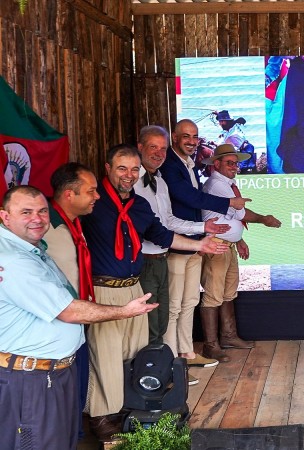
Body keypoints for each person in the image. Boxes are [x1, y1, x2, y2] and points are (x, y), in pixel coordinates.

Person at [81, 144, 229, 440]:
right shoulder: (93, 205)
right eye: (122, 168)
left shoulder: (139, 205)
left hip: (134, 287)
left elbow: (162, 235)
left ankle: (128, 410)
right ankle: (101, 417)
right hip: (102, 289)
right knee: (104, 356)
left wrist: (200, 244)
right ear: (107, 169)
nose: (129, 175)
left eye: (134, 169)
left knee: (134, 353)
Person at [0, 185, 157, 450]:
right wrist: (124, 311)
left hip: (50, 373)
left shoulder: (29, 248)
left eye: (42, 211)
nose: (37, 218)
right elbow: (69, 311)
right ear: (5, 217)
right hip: (30, 378)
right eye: (26, 212)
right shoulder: (14, 259)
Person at [133, 125, 229, 379]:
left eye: (162, 149)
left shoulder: (161, 182)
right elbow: (156, 228)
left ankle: (184, 355)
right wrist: (197, 242)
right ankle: (169, 365)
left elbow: (169, 220)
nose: (158, 153)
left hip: (166, 252)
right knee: (165, 312)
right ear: (140, 147)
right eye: (153, 147)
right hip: (149, 257)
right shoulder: (134, 182)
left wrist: (202, 228)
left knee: (186, 303)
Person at [160, 118, 250, 367]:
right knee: (178, 304)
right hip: (180, 243)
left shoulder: (188, 165)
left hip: (196, 242)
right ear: (174, 137)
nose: (191, 141)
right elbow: (188, 197)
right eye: (186, 136)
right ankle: (179, 358)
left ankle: (187, 353)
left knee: (189, 301)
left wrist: (237, 237)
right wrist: (230, 204)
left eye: (195, 137)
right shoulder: (171, 166)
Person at [200, 144, 282, 362]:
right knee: (213, 295)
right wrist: (264, 219)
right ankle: (210, 346)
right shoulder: (217, 184)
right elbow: (241, 213)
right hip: (216, 245)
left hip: (226, 245)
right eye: (229, 163)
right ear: (216, 164)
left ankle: (228, 336)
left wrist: (239, 239)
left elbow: (229, 217)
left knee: (228, 292)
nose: (234, 167)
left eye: (236, 163)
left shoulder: (227, 184)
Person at [44, 162, 100, 439]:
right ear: (69, 194)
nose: (97, 196)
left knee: (77, 389)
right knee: (58, 399)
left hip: (77, 320)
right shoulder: (43, 226)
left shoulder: (75, 223)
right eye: (91, 191)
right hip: (52, 329)